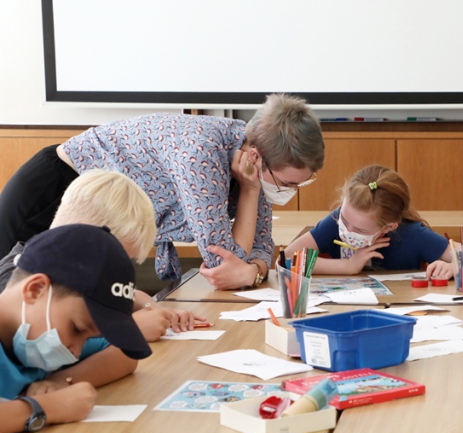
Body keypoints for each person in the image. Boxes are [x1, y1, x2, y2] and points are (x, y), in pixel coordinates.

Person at [0, 94, 325, 290]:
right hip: (53, 190)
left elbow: (261, 246)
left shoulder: (250, 152)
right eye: (288, 184)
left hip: (96, 210)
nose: (291, 192)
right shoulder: (201, 154)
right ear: (255, 157)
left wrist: (253, 272)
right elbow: (223, 264)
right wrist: (251, 192)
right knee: (10, 290)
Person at [0, 224, 170, 433]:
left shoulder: (41, 334)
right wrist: (46, 407)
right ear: (36, 289)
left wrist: (60, 381)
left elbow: (125, 358)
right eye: (77, 329)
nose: (76, 351)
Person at [0, 170, 203, 340]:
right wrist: (128, 330)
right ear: (83, 235)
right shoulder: (13, 279)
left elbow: (124, 296)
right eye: (112, 261)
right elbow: (48, 342)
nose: (113, 271)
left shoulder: (73, 274)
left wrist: (151, 306)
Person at [285, 165, 463, 279]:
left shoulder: (411, 234)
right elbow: (288, 257)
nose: (347, 230)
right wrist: (347, 266)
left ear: (389, 226)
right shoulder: (335, 220)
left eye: (359, 229)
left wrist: (454, 267)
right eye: (344, 219)